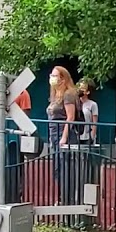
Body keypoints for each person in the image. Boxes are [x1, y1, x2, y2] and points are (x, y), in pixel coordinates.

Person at [48, 66, 81, 204]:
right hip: (54, 133)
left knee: (66, 168)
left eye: (55, 75)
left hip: (63, 132)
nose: (52, 78)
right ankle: (63, 197)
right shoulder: (56, 95)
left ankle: (68, 199)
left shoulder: (68, 94)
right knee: (58, 168)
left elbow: (70, 117)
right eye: (52, 75)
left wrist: (64, 137)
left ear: (63, 78)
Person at [78, 79, 99, 145]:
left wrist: (92, 135)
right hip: (77, 135)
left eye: (83, 88)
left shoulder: (92, 104)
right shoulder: (75, 103)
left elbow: (94, 122)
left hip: (87, 136)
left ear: (88, 92)